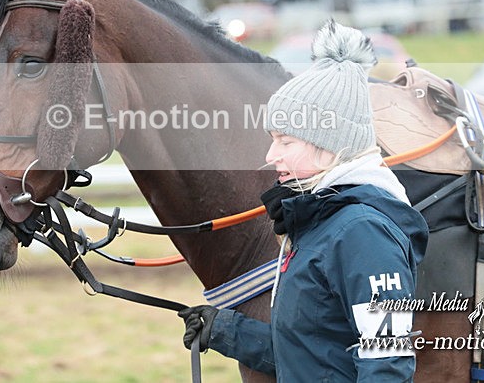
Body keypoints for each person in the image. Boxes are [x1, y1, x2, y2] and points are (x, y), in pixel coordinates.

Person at [178, 19, 429, 382]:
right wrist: (226, 330)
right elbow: (311, 354)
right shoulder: (320, 223)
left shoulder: (364, 234)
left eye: (286, 141)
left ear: (329, 145)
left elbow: (387, 363)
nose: (270, 155)